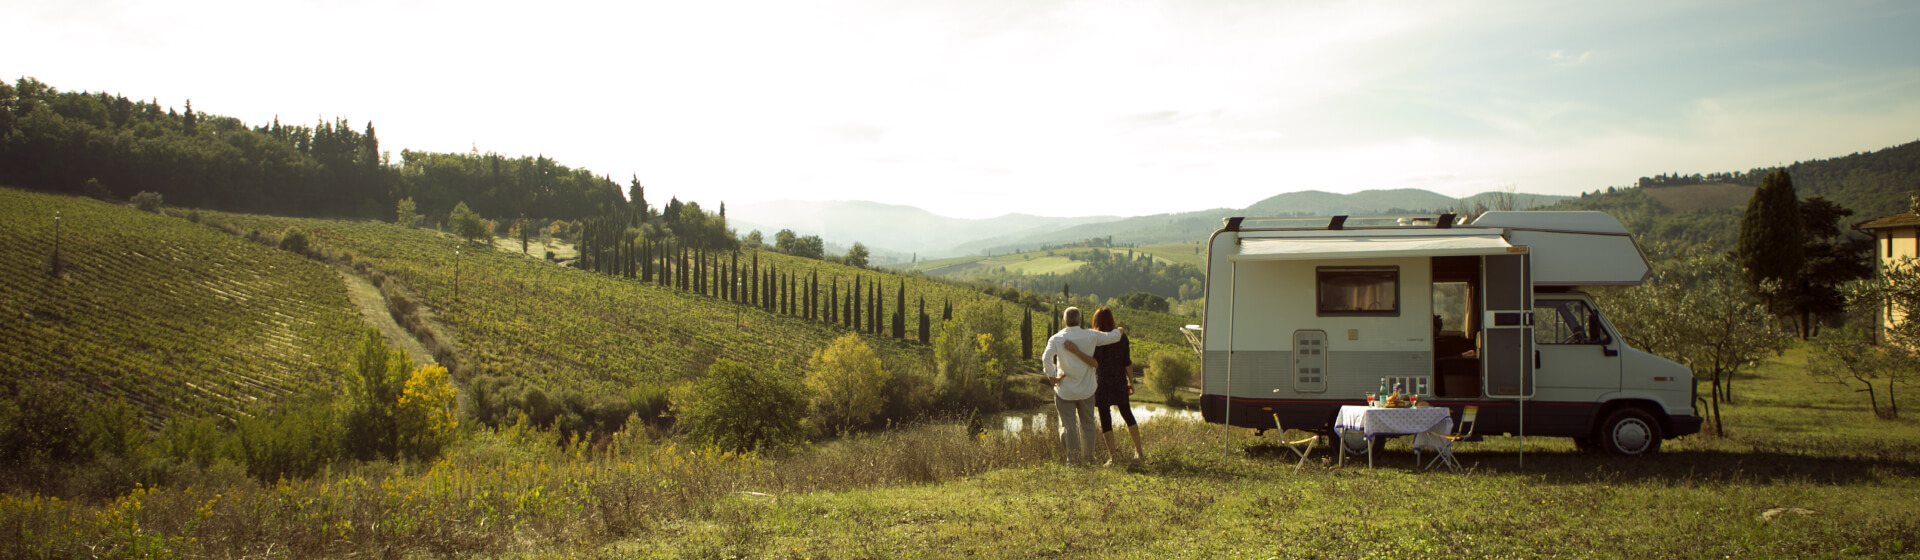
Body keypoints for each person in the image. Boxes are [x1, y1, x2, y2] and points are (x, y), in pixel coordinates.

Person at [1039, 306, 1125, 465]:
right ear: (1079, 320)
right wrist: (1119, 330)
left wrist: (1052, 377)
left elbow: (1046, 358)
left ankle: (1073, 460)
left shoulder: (1056, 339)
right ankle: (1089, 459)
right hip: (1087, 389)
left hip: (1065, 390)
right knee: (1088, 424)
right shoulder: (1091, 335)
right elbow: (1112, 337)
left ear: (1064, 321)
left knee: (1068, 426)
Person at [1078, 307, 1144, 464]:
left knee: (1105, 419)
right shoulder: (1121, 337)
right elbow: (1127, 362)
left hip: (1101, 383)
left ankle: (1113, 457)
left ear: (1096, 321)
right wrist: (1131, 382)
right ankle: (1139, 453)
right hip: (1119, 381)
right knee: (1127, 414)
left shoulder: (1094, 339)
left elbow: (1091, 362)